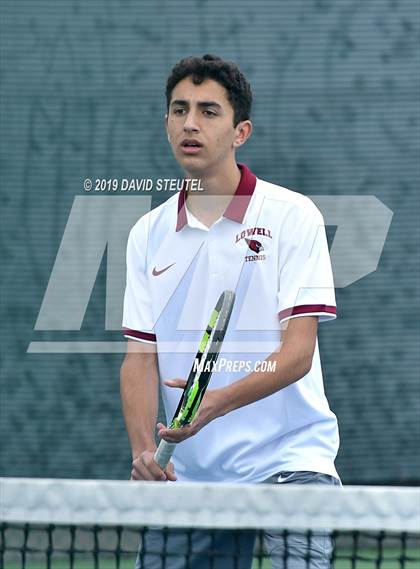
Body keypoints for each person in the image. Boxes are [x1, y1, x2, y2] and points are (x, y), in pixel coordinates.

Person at [121, 54, 340, 569]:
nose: (190, 123)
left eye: (208, 111)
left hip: (291, 462)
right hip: (188, 477)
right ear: (167, 123)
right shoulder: (146, 235)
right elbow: (139, 359)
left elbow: (297, 353)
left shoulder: (292, 216)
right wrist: (144, 453)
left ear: (241, 131)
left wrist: (216, 402)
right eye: (179, 110)